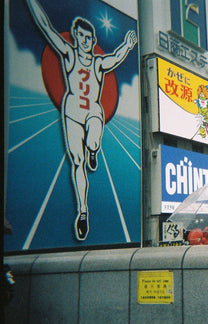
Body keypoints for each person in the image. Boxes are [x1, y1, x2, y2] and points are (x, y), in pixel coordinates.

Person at [26, 0, 137, 241]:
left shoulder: (97, 63)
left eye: (89, 37)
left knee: (94, 137)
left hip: (93, 111)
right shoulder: (68, 55)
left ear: (93, 40)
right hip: (72, 111)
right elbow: (46, 27)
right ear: (75, 36)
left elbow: (115, 58)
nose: (85, 41)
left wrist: (128, 46)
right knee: (77, 161)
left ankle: (94, 149)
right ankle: (83, 212)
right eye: (81, 36)